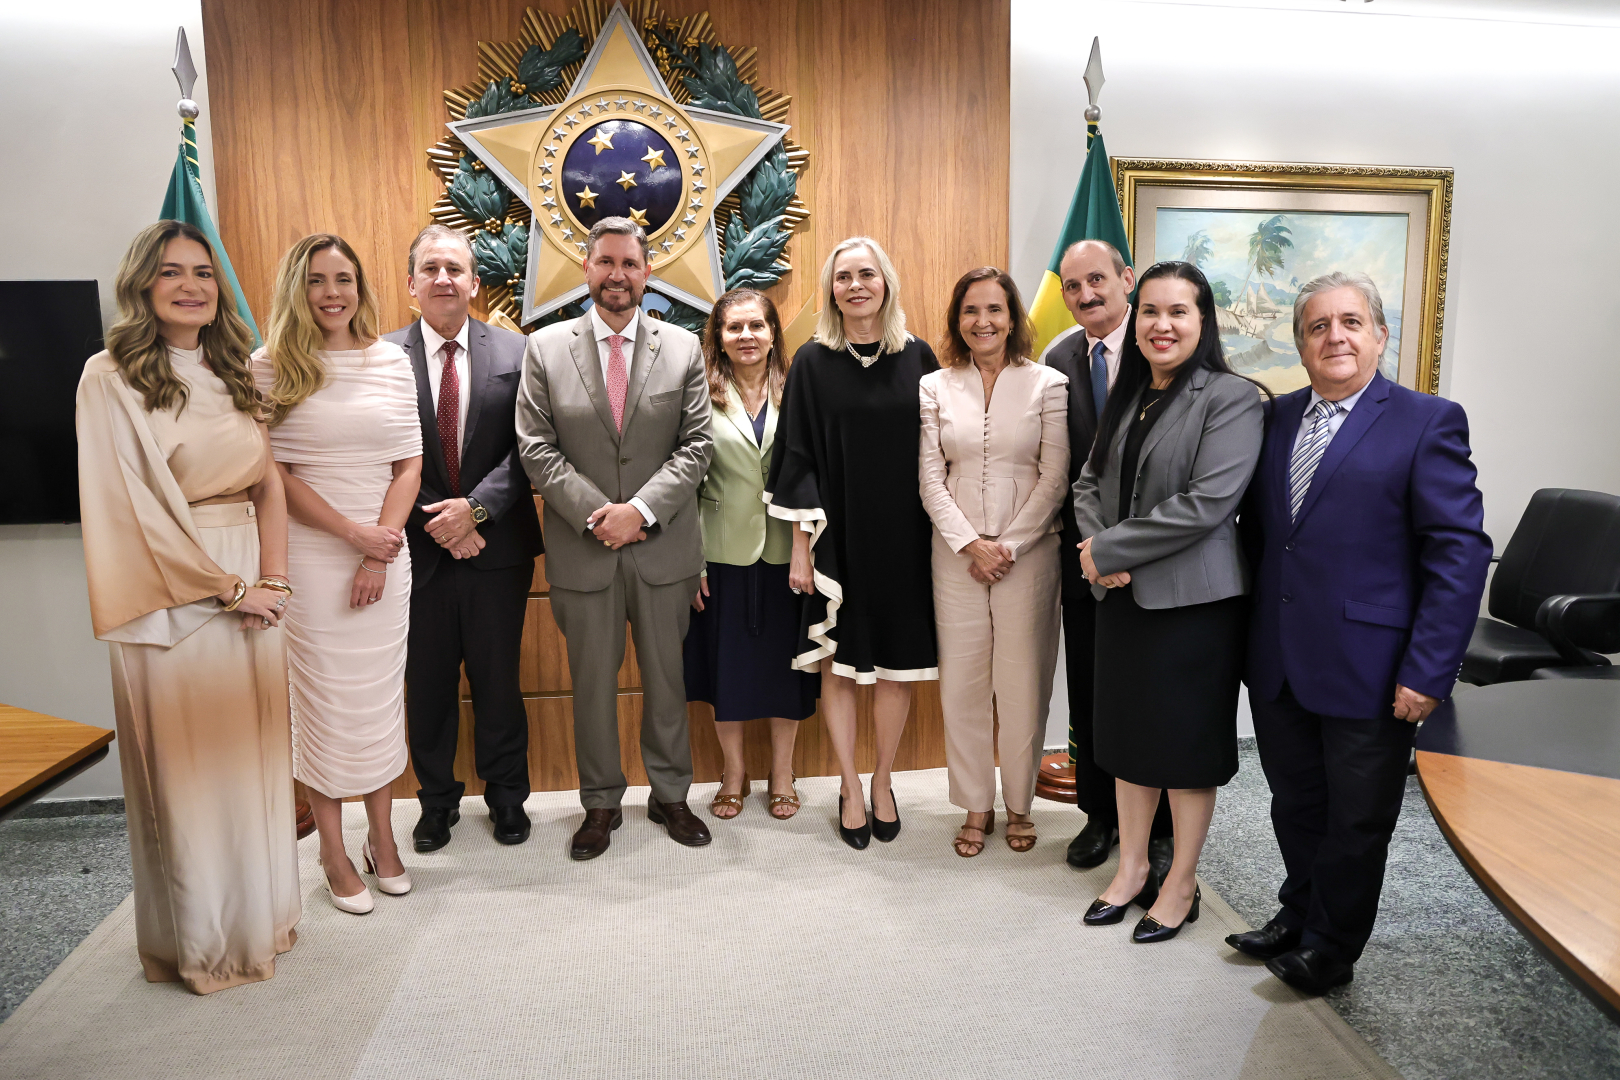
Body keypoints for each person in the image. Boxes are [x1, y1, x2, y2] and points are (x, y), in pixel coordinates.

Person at [1231, 272, 1489, 992]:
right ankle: (1298, 913)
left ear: (1380, 335)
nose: (1335, 337)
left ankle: (1331, 947)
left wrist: (1428, 671)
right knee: (1295, 802)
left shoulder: (1427, 421)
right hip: (1280, 657)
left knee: (1357, 817)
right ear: (1300, 344)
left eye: (1350, 322)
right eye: (1318, 326)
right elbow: (1262, 539)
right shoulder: (1273, 419)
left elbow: (1459, 555)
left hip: (1374, 665)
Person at [75, 220, 299, 992]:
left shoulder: (237, 369)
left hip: (253, 588)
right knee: (191, 777)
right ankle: (206, 946)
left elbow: (268, 482)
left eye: (203, 272)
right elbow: (129, 509)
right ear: (142, 284)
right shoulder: (109, 377)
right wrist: (230, 589)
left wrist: (274, 582)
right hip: (173, 593)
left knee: (251, 762)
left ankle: (262, 924)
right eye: (172, 272)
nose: (192, 286)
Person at [1072, 261, 1266, 943]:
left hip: (1194, 608)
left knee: (1184, 752)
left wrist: (1110, 550)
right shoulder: (1132, 393)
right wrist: (1097, 550)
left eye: (1178, 311)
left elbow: (1207, 504)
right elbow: (1088, 482)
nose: (1162, 325)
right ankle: (1130, 870)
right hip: (1122, 601)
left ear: (1203, 321)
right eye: (1150, 311)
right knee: (1128, 742)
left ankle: (1180, 882)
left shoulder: (1233, 398)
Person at [515, 217, 715, 860]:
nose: (617, 275)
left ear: (647, 272)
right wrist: (601, 513)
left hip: (663, 550)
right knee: (593, 686)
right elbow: (535, 448)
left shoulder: (683, 348)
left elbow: (697, 446)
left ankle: (671, 794)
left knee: (666, 681)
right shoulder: (546, 349)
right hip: (585, 549)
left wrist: (642, 512)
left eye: (630, 263)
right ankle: (600, 803)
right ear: (586, 268)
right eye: (605, 262)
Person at [254, 234, 423, 914]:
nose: (332, 293)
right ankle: (331, 850)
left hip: (385, 551)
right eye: (317, 280)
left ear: (360, 286)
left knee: (377, 702)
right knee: (322, 704)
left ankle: (382, 838)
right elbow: (273, 475)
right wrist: (352, 535)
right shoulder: (269, 365)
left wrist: (377, 550)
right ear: (297, 289)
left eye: (344, 279)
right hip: (311, 555)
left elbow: (409, 464)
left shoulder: (391, 361)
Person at [765, 236, 939, 850]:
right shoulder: (812, 362)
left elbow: (942, 450)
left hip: (906, 537)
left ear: (886, 283)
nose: (856, 285)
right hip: (835, 535)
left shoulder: (919, 357)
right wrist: (801, 547)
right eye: (844, 277)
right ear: (831, 290)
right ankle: (847, 785)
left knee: (896, 667)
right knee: (837, 665)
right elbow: (797, 456)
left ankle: (883, 780)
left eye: (867, 274)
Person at [382, 225, 544, 853]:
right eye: (431, 268)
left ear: (475, 283)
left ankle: (507, 797)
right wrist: (441, 522)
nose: (443, 278)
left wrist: (475, 512)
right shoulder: (381, 358)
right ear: (411, 284)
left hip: (497, 549)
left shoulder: (518, 351)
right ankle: (436, 802)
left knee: (498, 679)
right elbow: (379, 452)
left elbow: (533, 446)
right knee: (427, 684)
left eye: (455, 268)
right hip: (416, 549)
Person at [920, 267, 1068, 856]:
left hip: (1029, 554)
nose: (983, 321)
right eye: (971, 310)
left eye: (994, 309)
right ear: (958, 320)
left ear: (1012, 318)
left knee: (1023, 683)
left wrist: (1008, 545)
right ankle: (975, 805)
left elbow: (1055, 476)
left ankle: (1020, 804)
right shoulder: (935, 385)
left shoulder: (1048, 383)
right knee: (962, 684)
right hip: (954, 553)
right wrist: (969, 544)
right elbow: (930, 477)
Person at [1042, 239, 1174, 873]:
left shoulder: (1161, 351)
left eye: (1096, 279)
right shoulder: (1058, 358)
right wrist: (1096, 547)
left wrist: (1125, 545)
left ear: (1127, 279)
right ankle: (1099, 814)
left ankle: (1162, 829)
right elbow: (1069, 467)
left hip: (1157, 553)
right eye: (1072, 286)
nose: (1085, 294)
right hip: (1082, 554)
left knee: (1154, 694)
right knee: (1091, 689)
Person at [683, 288, 819, 820]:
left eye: (756, 326)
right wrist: (692, 561)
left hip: (790, 554)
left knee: (788, 671)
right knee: (727, 670)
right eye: (734, 327)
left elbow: (810, 472)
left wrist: (806, 545)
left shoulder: (798, 390)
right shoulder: (698, 394)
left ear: (773, 333)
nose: (746, 336)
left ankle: (783, 773)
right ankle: (733, 773)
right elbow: (687, 484)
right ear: (718, 337)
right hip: (720, 553)